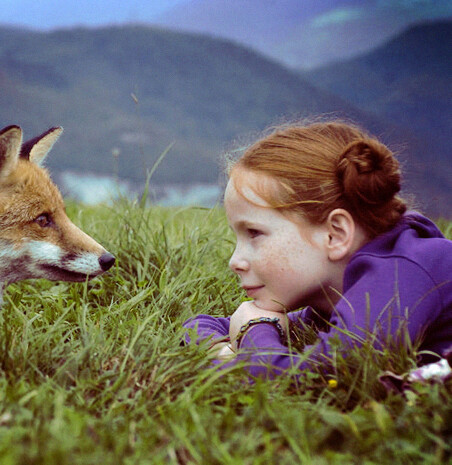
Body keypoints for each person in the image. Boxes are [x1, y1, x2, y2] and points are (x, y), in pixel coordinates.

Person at [183, 120, 452, 378]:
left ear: (335, 234)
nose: (235, 261)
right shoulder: (334, 295)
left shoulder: (399, 277)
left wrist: (254, 332)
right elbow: (198, 326)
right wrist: (233, 355)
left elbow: (318, 380)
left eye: (254, 233)